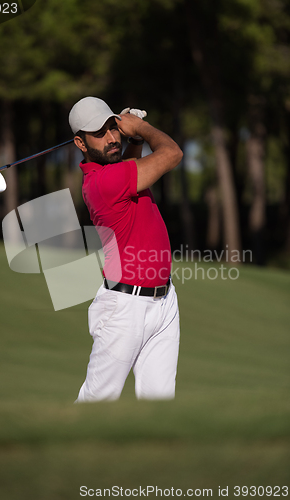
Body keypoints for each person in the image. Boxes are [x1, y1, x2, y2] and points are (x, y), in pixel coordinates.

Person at [68, 96, 183, 402]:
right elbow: (172, 154)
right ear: (80, 143)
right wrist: (141, 128)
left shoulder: (115, 173)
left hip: (163, 302)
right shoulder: (102, 182)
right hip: (124, 309)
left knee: (159, 406)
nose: (111, 138)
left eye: (112, 128)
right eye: (100, 133)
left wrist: (131, 137)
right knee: (97, 402)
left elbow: (131, 164)